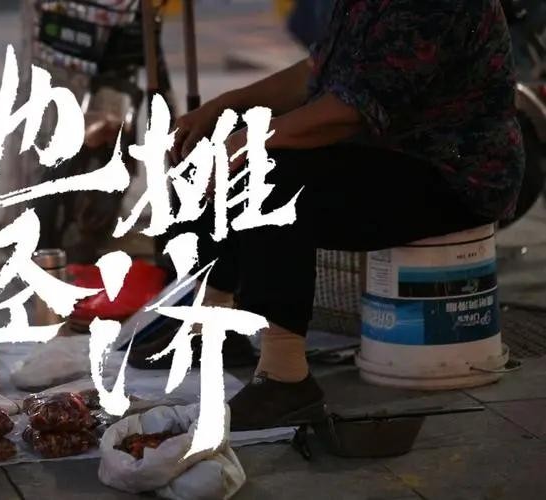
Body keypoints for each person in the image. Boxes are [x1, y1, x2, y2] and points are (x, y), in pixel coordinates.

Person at [169, 0, 525, 431]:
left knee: (267, 174)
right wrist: (224, 107)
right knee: (219, 133)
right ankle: (212, 323)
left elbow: (349, 111)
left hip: (453, 174)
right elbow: (317, 73)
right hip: (387, 150)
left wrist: (248, 142)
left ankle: (284, 376)